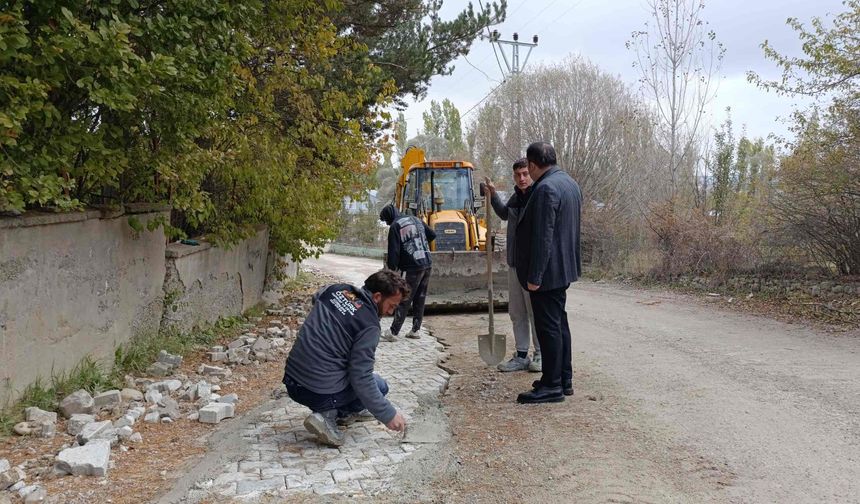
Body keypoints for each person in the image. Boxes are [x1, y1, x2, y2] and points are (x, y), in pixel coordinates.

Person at [282, 269, 410, 446]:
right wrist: (388, 414)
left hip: (291, 381)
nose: (390, 312)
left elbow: (316, 297)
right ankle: (328, 416)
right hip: (317, 392)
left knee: (358, 377)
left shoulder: (336, 290)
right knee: (380, 386)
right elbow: (361, 377)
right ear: (377, 297)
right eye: (392, 306)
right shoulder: (369, 326)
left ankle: (337, 409)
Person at [514, 142, 582, 404]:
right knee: (559, 323)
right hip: (563, 267)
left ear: (532, 165)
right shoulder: (569, 183)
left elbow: (544, 237)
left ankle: (552, 385)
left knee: (548, 327)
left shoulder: (545, 189)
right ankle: (562, 378)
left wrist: (535, 277)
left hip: (547, 271)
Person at [483, 158, 541, 373]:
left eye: (525, 173)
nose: (522, 178)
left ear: (532, 173)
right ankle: (522, 354)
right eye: (518, 175)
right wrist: (493, 195)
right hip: (514, 263)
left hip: (532, 265)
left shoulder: (537, 196)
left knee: (535, 312)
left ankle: (540, 354)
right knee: (517, 312)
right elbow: (505, 214)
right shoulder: (517, 197)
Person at [379, 203, 436, 341]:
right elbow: (432, 234)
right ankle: (415, 330)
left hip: (411, 267)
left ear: (389, 217)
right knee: (420, 297)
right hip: (427, 262)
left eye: (386, 221)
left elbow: (394, 252)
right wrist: (419, 242)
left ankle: (393, 332)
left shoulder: (395, 226)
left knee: (404, 297)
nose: (387, 224)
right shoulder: (415, 219)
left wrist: (392, 272)